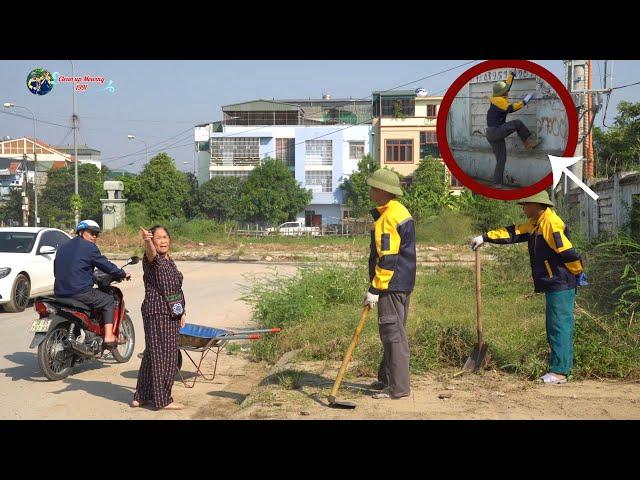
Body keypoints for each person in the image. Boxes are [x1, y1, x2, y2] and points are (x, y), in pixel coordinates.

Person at [470, 190, 588, 384]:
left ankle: (560, 372)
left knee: (559, 326)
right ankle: (559, 367)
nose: (523, 208)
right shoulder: (536, 224)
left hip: (561, 281)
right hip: (554, 282)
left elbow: (567, 252)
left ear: (537, 205)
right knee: (554, 325)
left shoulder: (551, 223)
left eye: (525, 204)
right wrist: (484, 237)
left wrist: (577, 273)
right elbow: (513, 232)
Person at [364, 168, 416, 399]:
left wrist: (375, 288)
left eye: (373, 187)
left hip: (391, 285)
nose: (371, 191)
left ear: (383, 191)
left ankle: (398, 388)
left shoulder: (389, 218)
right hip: (400, 283)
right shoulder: (397, 211)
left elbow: (389, 257)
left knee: (393, 334)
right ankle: (387, 379)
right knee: (391, 332)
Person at [131, 225, 186, 410]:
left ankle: (141, 396)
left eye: (165, 237)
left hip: (169, 312)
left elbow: (175, 291)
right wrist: (147, 241)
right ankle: (163, 400)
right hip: (159, 312)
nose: (162, 241)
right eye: (158, 238)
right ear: (152, 241)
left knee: (151, 355)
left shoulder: (169, 260)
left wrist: (181, 312)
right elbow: (151, 253)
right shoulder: (152, 258)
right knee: (167, 356)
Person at [54, 220, 130, 347]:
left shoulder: (63, 246)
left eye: (96, 234)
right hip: (79, 292)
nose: (94, 236)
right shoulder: (89, 247)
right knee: (108, 301)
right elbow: (105, 265)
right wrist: (122, 273)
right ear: (81, 232)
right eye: (91, 233)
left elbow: (56, 269)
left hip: (59, 292)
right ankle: (109, 336)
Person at [486, 70, 540, 187]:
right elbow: (511, 108)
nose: (508, 92)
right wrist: (525, 101)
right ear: (503, 93)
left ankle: (496, 184)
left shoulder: (497, 96)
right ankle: (528, 143)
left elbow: (507, 85)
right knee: (517, 123)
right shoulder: (500, 101)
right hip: (496, 131)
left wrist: (511, 74)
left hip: (491, 134)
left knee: (501, 160)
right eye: (507, 91)